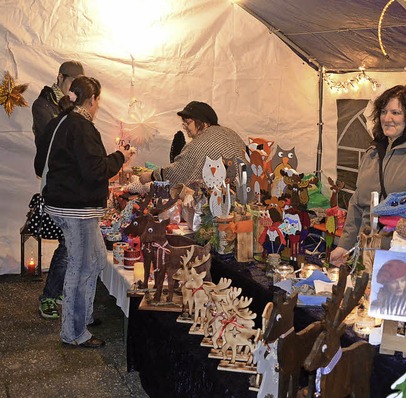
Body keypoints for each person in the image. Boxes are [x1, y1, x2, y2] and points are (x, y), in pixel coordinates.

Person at [34, 76, 134, 348]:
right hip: (76, 209)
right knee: (79, 268)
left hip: (67, 205)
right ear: (92, 100)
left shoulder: (59, 122)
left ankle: (84, 316)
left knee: (97, 260)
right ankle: (74, 332)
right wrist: (120, 157)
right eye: (99, 100)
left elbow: (39, 165)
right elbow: (95, 171)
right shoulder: (81, 127)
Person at [329, 85, 406, 265]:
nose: (387, 118)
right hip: (367, 250)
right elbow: (358, 204)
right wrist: (344, 246)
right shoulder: (373, 152)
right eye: (383, 111)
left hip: (405, 252)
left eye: (396, 112)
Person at [31, 60, 84, 319]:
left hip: (69, 182)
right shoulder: (43, 105)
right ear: (60, 77)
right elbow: (51, 141)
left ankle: (57, 291)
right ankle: (49, 296)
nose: (74, 88)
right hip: (56, 182)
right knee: (67, 242)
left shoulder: (71, 107)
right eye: (72, 82)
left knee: (69, 242)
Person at [139, 101, 246, 188]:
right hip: (245, 187)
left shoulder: (201, 143)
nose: (185, 127)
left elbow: (179, 171)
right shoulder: (229, 132)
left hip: (227, 194)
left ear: (203, 123)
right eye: (184, 123)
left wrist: (152, 176)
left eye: (188, 122)